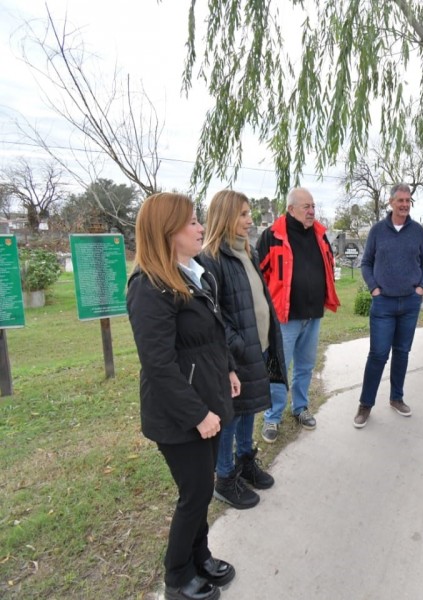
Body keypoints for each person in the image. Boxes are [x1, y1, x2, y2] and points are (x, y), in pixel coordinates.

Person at [127, 192, 238, 600]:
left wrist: (227, 368)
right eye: (191, 222)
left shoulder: (195, 273)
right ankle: (177, 577)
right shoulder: (148, 287)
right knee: (194, 494)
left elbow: (211, 333)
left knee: (203, 488)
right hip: (179, 416)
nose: (200, 228)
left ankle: (200, 556)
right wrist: (197, 415)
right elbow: (159, 366)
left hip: (208, 402)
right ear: (166, 232)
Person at [197, 190, 288, 510]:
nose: (251, 220)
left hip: (258, 348)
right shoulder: (211, 258)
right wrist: (237, 346)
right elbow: (213, 314)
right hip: (237, 354)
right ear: (225, 217)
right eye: (244, 214)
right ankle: (224, 478)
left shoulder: (244, 252)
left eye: (250, 214)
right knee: (231, 416)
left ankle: (245, 460)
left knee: (250, 408)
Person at [257, 187, 340, 442]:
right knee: (278, 368)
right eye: (306, 207)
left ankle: (300, 407)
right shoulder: (272, 236)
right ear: (291, 209)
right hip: (284, 318)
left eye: (313, 206)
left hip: (313, 314)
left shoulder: (320, 235)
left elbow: (328, 265)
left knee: (305, 366)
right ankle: (272, 417)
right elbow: (259, 275)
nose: (312, 211)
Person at [353, 183, 423, 428]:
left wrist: (421, 288)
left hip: (410, 303)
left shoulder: (418, 231)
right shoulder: (378, 231)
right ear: (391, 202)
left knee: (402, 352)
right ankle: (365, 404)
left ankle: (396, 398)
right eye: (401, 201)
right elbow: (366, 263)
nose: (405, 205)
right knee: (378, 354)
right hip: (383, 304)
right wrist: (374, 289)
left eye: (408, 201)